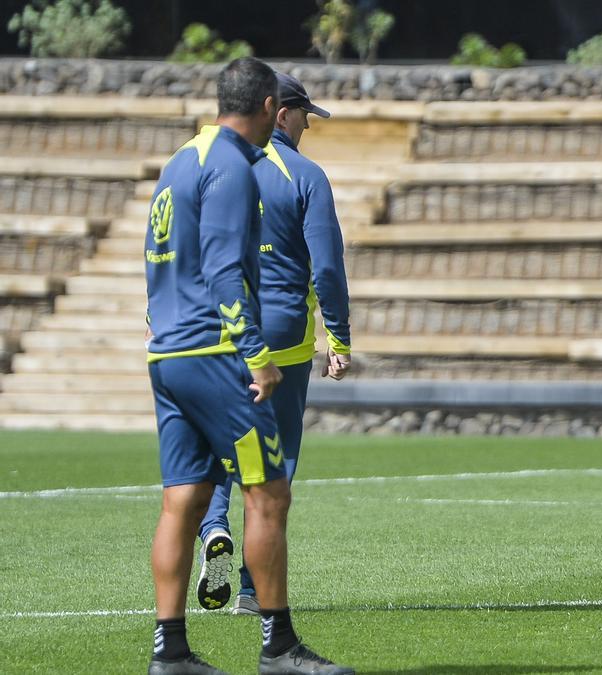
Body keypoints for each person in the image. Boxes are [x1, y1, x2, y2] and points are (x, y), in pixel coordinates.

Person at [144, 56, 352, 675]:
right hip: (219, 355)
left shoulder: (181, 159)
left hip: (169, 354)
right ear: (270, 107)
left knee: (183, 497)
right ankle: (279, 646)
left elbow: (157, 253)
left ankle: (171, 651)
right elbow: (225, 270)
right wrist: (256, 357)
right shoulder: (236, 166)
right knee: (269, 493)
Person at [197, 71, 352, 618]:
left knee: (218, 448)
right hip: (283, 338)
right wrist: (340, 335)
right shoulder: (306, 175)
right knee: (273, 466)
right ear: (280, 112)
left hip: (218, 330)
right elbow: (327, 267)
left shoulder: (212, 167)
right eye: (305, 117)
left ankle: (214, 530)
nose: (308, 128)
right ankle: (249, 587)